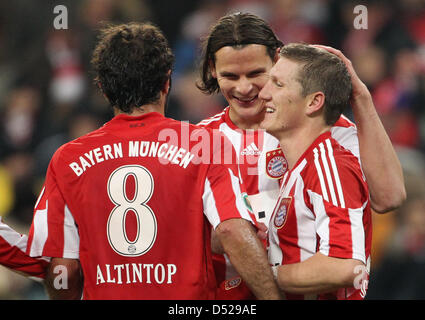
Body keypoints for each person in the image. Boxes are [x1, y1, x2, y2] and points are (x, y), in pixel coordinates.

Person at [26, 22, 281, 300]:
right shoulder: (202, 143)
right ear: (166, 82)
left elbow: (61, 265)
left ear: (103, 89)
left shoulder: (67, 158)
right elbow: (232, 229)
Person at [196, 12, 405, 299]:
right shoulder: (199, 141)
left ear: (277, 61)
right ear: (212, 70)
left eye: (257, 74)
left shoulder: (325, 133)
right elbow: (187, 236)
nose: (244, 88)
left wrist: (360, 96)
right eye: (230, 76)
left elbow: (389, 197)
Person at [260, 43, 371, 299]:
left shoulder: (328, 165)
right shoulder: (303, 166)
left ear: (314, 102)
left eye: (278, 84)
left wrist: (266, 275)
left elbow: (345, 265)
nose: (263, 93)